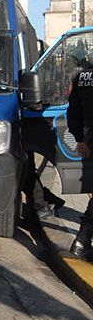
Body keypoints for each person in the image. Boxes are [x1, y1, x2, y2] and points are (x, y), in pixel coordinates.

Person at [67, 64, 93, 259]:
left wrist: (80, 139)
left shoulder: (83, 76)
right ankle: (82, 241)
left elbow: (73, 111)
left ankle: (82, 242)